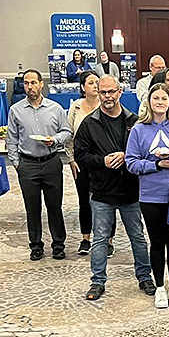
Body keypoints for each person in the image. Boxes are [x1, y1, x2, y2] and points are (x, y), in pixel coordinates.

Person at [75, 75, 154, 301]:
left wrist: (126, 156)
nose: (107, 97)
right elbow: (80, 156)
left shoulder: (134, 121)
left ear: (120, 92)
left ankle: (145, 277)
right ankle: (97, 282)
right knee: (100, 239)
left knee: (138, 237)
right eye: (103, 92)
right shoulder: (89, 124)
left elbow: (146, 153)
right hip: (102, 192)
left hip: (130, 191)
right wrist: (103, 161)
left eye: (111, 92)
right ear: (97, 93)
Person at [126, 84, 169, 310]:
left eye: (164, 98)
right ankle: (158, 287)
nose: (160, 102)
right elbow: (131, 163)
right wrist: (156, 164)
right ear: (149, 101)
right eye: (155, 98)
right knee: (156, 242)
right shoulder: (138, 130)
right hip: (150, 194)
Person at [7, 69, 71, 261]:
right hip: (27, 164)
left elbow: (67, 131)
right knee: (32, 208)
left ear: (41, 84)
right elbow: (11, 139)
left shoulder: (55, 108)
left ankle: (58, 244)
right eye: (26, 83)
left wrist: (56, 140)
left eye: (33, 82)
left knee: (54, 206)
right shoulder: (15, 110)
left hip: (51, 161)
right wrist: (16, 163)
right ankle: (36, 246)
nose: (30, 87)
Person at [66, 70, 100, 256]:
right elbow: (68, 134)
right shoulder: (76, 107)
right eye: (91, 83)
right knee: (84, 200)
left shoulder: (106, 105)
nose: (95, 85)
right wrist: (71, 159)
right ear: (82, 87)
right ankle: (86, 238)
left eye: (97, 82)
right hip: (81, 160)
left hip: (102, 160)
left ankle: (107, 241)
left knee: (104, 200)